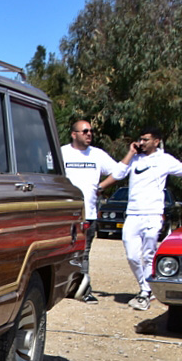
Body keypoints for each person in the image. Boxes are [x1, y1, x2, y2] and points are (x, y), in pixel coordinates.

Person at [99, 127, 182, 310]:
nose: (142, 142)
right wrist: (130, 153)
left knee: (148, 254)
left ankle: (145, 292)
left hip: (152, 214)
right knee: (132, 255)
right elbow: (119, 174)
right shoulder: (134, 158)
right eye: (140, 139)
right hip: (133, 214)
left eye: (146, 139)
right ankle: (146, 289)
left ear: (156, 141)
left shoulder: (165, 160)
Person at [61, 119, 120, 304]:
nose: (89, 134)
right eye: (85, 131)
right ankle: (62, 288)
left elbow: (119, 171)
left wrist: (101, 186)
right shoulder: (62, 152)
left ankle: (84, 289)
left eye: (90, 131)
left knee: (83, 253)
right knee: (61, 251)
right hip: (64, 214)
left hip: (89, 214)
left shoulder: (97, 154)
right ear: (74, 134)